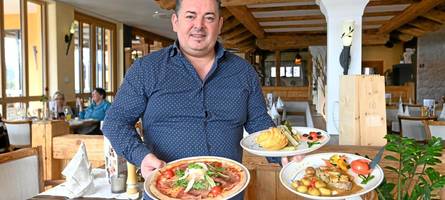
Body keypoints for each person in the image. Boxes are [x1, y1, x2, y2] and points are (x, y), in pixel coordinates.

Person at [102, 0, 301, 199]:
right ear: (175, 21)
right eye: (190, 16)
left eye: (209, 17)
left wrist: (284, 152)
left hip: (228, 191)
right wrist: (141, 156)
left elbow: (259, 123)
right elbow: (115, 122)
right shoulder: (146, 69)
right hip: (166, 190)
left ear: (220, 24)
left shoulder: (243, 72)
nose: (199, 25)